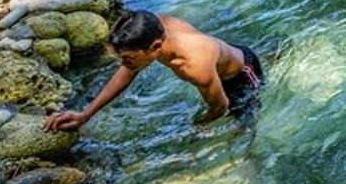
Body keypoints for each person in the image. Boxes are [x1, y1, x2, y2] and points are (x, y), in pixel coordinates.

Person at [43, 10, 265, 132]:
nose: (124, 64)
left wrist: (194, 127)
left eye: (129, 58)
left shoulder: (193, 66)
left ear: (155, 48)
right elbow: (127, 71)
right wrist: (85, 115)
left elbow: (220, 107)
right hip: (217, 60)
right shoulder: (151, 27)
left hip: (241, 74)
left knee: (243, 128)